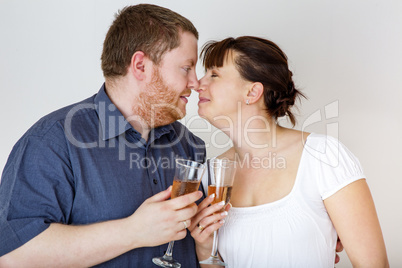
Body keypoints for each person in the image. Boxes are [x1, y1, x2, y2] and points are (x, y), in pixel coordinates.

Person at [0, 4, 225, 267]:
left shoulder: (189, 145)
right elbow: (12, 256)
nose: (195, 83)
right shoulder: (53, 142)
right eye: (186, 68)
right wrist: (133, 232)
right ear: (140, 66)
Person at [188, 36, 389, 267]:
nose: (196, 83)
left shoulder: (323, 157)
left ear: (252, 93)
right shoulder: (210, 175)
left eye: (214, 74)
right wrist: (205, 248)